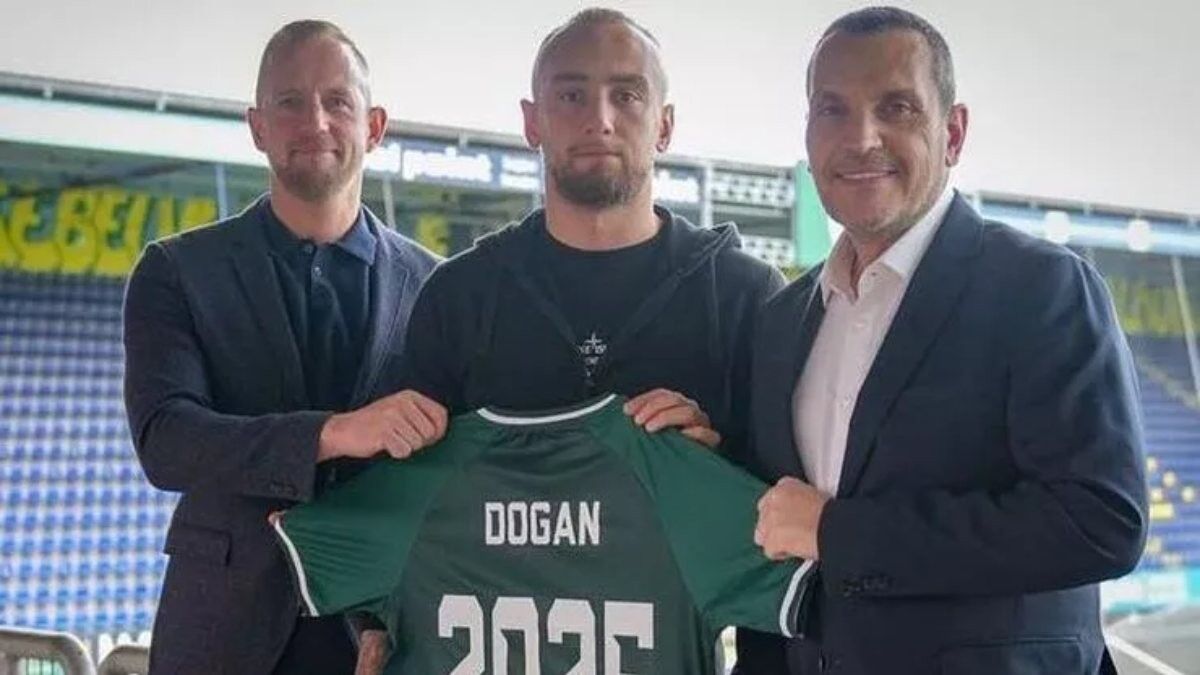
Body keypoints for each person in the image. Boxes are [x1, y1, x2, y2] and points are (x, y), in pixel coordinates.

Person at [747, 7, 1147, 674]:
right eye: (833, 110)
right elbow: (777, 535)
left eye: (896, 107)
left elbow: (1100, 521)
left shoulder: (1041, 288)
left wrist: (841, 534)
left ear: (952, 132)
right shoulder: (782, 320)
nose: (861, 138)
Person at [396, 6, 784, 667]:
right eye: (571, 95)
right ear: (532, 121)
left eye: (626, 94)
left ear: (664, 124)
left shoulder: (744, 296)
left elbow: (788, 514)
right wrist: (378, 626)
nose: (599, 118)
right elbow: (405, 501)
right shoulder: (460, 295)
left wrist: (713, 462)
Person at [123, 20, 441, 674]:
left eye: (337, 101)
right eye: (290, 102)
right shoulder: (176, 271)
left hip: (382, 635)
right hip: (220, 637)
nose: (315, 121)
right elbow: (167, 440)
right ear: (258, 126)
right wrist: (332, 433)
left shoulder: (437, 288)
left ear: (374, 126)